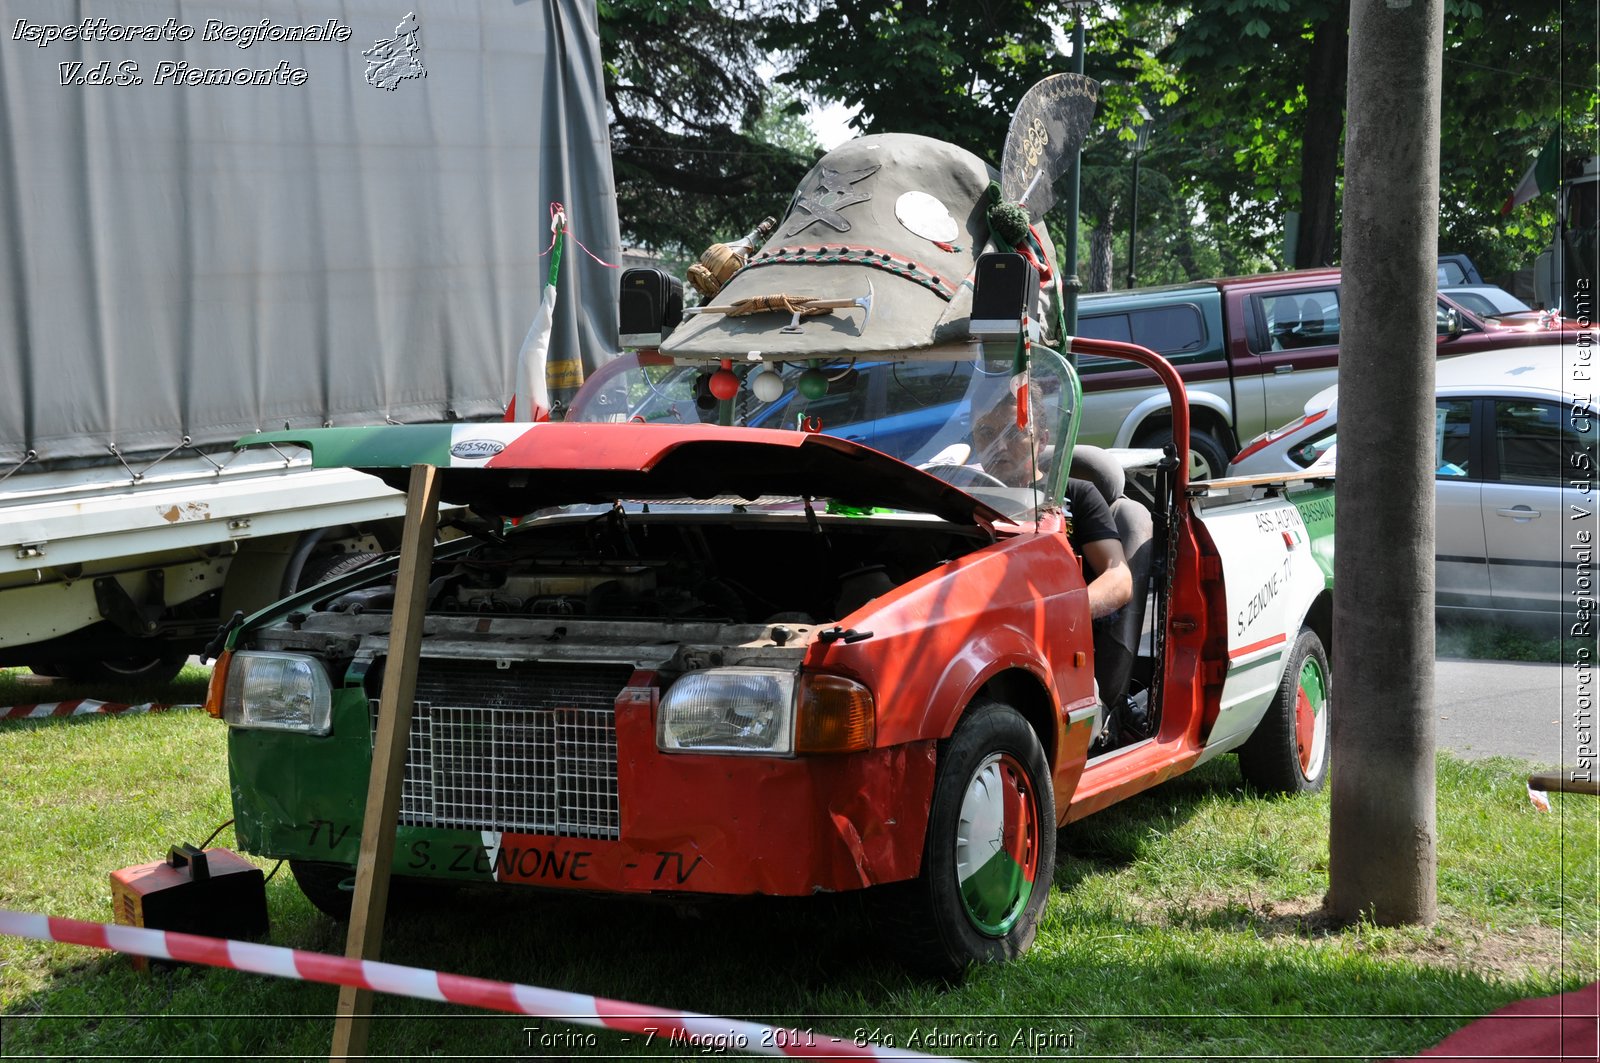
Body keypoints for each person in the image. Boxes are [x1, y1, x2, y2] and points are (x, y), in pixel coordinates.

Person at [969, 396, 1132, 620]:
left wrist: (1059, 614)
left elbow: (1119, 578)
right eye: (987, 433)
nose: (1000, 446)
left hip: (1052, 632)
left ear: (1042, 440)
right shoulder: (961, 494)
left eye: (1015, 433)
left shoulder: (1077, 494)